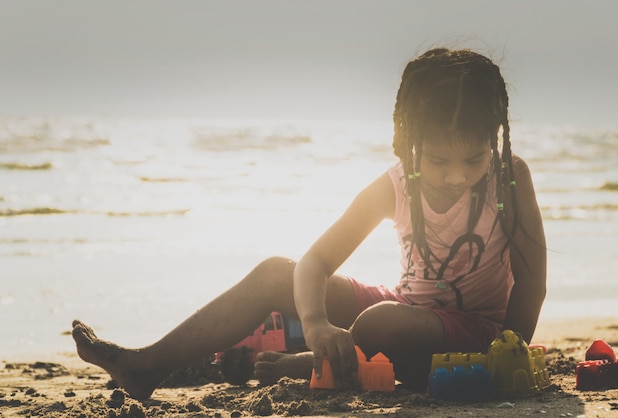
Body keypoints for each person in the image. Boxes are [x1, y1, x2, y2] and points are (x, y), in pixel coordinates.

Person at [72, 47, 546, 399]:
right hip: (405, 309)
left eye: (474, 157)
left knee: (382, 322)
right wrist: (316, 322)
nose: (457, 175)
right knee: (278, 270)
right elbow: (317, 261)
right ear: (410, 143)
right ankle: (147, 365)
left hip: (478, 333)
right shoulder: (397, 185)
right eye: (440, 160)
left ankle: (299, 365)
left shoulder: (509, 179)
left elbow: (531, 283)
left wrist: (509, 356)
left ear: (495, 141)